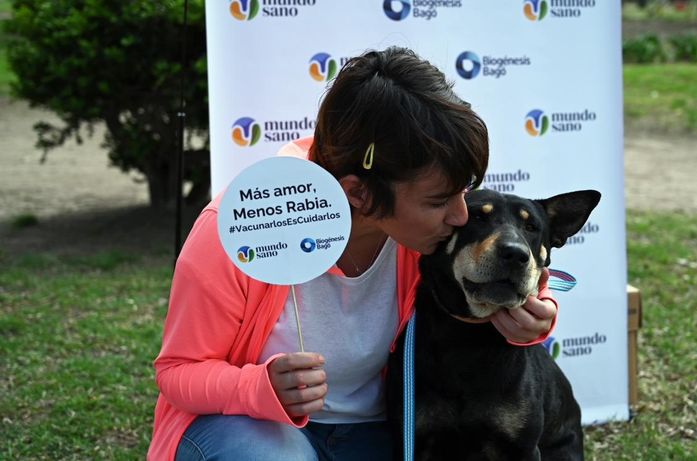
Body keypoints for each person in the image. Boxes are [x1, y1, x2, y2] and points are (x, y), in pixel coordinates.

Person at [148, 46, 558, 461]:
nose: (460, 215)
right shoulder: (239, 229)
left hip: (371, 431)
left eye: (463, 192)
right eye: (438, 202)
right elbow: (177, 371)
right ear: (359, 193)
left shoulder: (427, 236)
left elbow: (522, 274)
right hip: (254, 429)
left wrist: (537, 314)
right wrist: (259, 387)